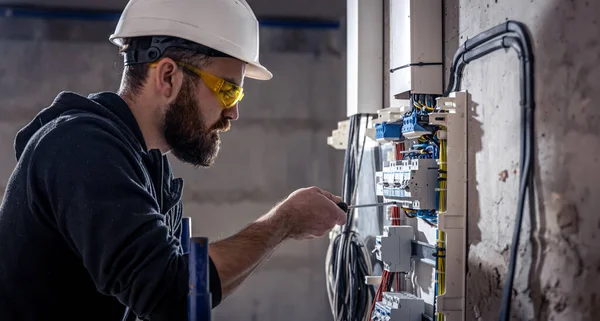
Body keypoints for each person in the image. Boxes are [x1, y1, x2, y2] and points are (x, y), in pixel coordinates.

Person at [0, 0, 346, 320]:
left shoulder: (147, 169)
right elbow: (171, 291)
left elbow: (173, 300)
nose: (234, 111)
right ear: (167, 76)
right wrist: (281, 222)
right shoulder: (79, 148)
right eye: (227, 89)